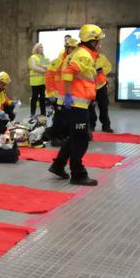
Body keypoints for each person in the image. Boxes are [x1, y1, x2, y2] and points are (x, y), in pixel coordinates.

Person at [48, 24, 103, 186]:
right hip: (76, 104)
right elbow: (68, 72)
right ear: (92, 41)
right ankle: (78, 174)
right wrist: (68, 95)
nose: (100, 44)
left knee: (75, 136)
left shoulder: (79, 53)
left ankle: (58, 165)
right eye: (99, 41)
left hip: (75, 104)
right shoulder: (83, 55)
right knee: (82, 139)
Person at [45, 36, 79, 146]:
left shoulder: (75, 63)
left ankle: (63, 135)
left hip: (70, 96)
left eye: (75, 49)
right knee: (59, 118)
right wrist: (51, 93)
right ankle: (55, 138)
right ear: (66, 49)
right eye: (71, 48)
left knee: (68, 118)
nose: (73, 51)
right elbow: (48, 78)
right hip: (57, 95)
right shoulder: (57, 62)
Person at [89, 46, 114, 134]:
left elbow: (109, 66)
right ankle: (91, 125)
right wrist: (93, 71)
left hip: (101, 86)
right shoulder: (87, 58)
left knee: (104, 107)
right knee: (90, 108)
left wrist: (102, 71)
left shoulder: (102, 57)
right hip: (90, 86)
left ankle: (106, 126)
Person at [28, 42, 48, 117]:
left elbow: (47, 67)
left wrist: (40, 66)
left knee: (42, 98)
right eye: (40, 47)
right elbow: (33, 67)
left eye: (42, 47)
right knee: (34, 98)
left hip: (43, 81)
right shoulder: (33, 57)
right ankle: (32, 114)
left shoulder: (43, 57)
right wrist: (43, 69)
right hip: (35, 82)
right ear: (36, 49)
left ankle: (43, 113)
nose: (42, 49)